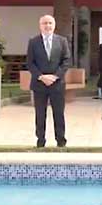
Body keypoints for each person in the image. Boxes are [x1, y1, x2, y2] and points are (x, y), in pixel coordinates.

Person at [26, 14, 71, 148]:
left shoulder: (62, 41)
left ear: (54, 25)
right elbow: (30, 63)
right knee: (40, 114)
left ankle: (61, 141)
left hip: (57, 84)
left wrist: (55, 76)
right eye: (44, 23)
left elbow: (66, 61)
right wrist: (41, 76)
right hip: (39, 84)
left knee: (59, 113)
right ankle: (40, 140)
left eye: (50, 23)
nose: (47, 26)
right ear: (40, 26)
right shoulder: (33, 42)